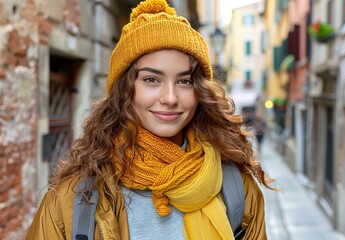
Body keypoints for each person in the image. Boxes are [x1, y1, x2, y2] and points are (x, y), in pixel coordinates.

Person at [27, 0, 274, 239]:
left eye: (184, 81)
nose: (169, 98)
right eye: (151, 79)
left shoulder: (237, 190)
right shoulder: (71, 202)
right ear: (125, 90)